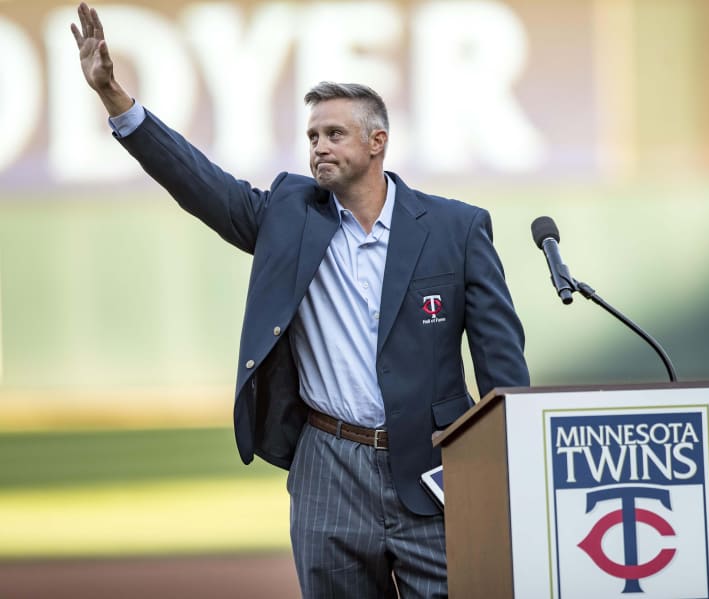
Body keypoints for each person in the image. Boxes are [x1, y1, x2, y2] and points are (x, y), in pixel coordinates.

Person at [71, 2, 529, 597]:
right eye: (312, 135)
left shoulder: (456, 228)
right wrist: (113, 96)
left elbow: (501, 360)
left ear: (378, 142)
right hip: (328, 467)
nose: (319, 146)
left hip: (435, 466)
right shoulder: (287, 216)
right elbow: (198, 181)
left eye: (334, 133)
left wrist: (510, 464)